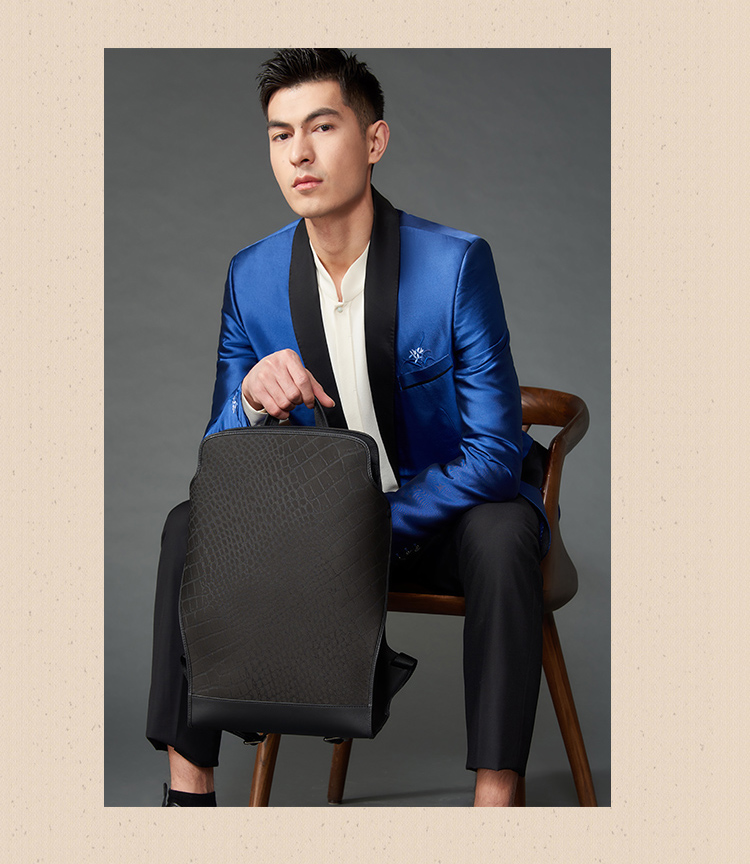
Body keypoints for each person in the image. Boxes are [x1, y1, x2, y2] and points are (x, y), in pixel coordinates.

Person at [146, 48, 550, 807]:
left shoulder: (454, 265)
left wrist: (364, 529)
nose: (298, 152)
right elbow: (219, 458)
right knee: (187, 525)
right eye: (280, 134)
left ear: (373, 140)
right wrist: (250, 400)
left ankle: (498, 803)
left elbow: (496, 454)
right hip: (321, 533)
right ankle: (188, 795)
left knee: (503, 536)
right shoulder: (251, 277)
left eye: (322, 127)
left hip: (446, 520)